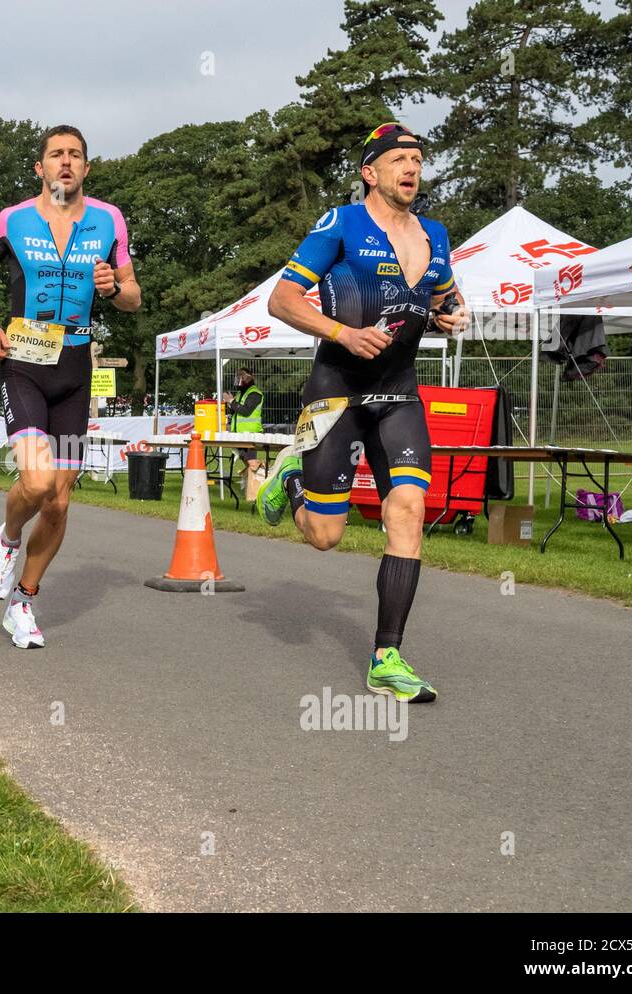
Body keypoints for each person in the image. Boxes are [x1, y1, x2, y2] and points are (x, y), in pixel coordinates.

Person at [261, 122, 467, 703]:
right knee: (325, 537)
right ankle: (293, 479)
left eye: (418, 160)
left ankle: (386, 656)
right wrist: (343, 334)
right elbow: (281, 300)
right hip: (337, 390)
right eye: (399, 159)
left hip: (398, 393)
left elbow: (447, 299)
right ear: (369, 172)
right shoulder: (342, 224)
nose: (411, 168)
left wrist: (452, 315)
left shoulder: (436, 234)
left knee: (408, 507)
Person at [0, 124, 141, 649]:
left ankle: (25, 601)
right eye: (56, 155)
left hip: (76, 366)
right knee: (36, 484)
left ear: (86, 167)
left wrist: (115, 288)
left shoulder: (109, 221)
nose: (66, 162)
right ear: (39, 168)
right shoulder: (11, 221)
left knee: (59, 502)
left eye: (75, 155)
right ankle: (8, 537)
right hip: (24, 358)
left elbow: (133, 295)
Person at [220, 366, 264, 498]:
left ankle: (257, 490)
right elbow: (236, 411)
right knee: (248, 462)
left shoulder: (255, 393)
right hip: (239, 435)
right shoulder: (240, 394)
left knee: (252, 463)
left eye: (241, 376)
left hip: (250, 434)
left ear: (248, 378)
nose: (238, 379)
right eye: (237, 377)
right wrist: (229, 403)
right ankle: (256, 483)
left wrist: (231, 401)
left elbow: (245, 411)